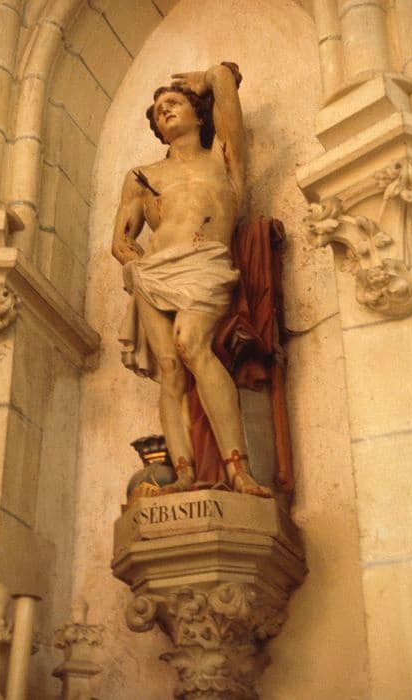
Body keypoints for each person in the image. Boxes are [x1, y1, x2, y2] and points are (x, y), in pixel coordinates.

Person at [112, 63, 270, 497]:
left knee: (190, 342)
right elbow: (121, 241)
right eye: (158, 110)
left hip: (205, 264)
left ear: (199, 115)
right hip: (153, 273)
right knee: (170, 371)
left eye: (174, 103)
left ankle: (239, 471)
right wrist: (134, 263)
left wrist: (209, 78)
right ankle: (184, 473)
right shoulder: (142, 177)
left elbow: (226, 86)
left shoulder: (223, 157)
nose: (165, 110)